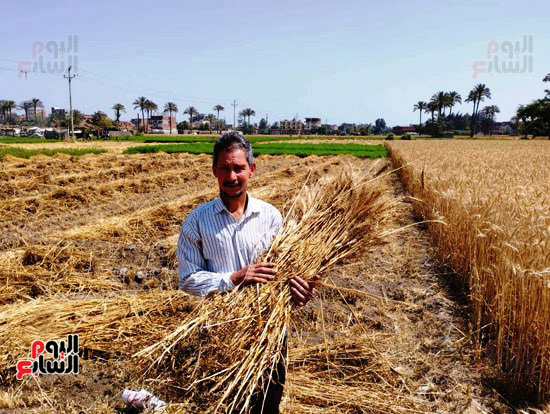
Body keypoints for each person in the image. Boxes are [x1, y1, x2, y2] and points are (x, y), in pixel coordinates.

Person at [177, 131, 315, 413]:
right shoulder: (196, 222)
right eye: (225, 168)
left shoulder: (272, 218)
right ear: (214, 170)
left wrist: (301, 291)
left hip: (270, 334)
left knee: (267, 405)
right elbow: (188, 281)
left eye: (238, 168)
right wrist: (232, 278)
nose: (231, 176)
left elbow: (288, 274)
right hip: (219, 335)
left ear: (251, 169)